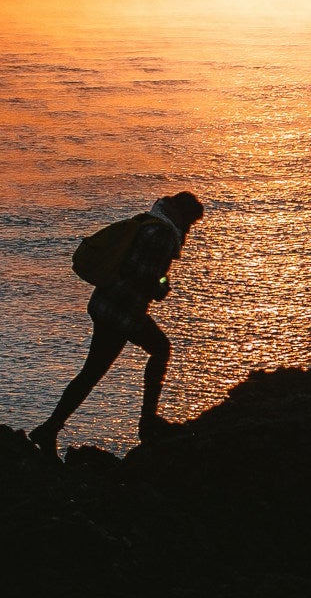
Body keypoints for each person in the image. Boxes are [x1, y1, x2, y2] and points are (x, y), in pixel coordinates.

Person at [30, 191, 204, 454]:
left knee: (95, 371)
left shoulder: (149, 221)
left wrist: (157, 281)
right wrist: (163, 285)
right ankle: (144, 425)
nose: (190, 229)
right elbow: (147, 278)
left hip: (107, 303)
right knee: (152, 353)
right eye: (191, 223)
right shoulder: (163, 235)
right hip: (120, 311)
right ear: (185, 217)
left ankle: (52, 427)